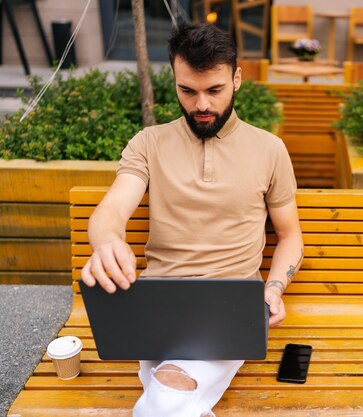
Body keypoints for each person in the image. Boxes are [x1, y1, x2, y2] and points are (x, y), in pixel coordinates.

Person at [80, 22, 304, 417]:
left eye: (214, 90)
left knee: (165, 400)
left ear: (236, 78)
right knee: (171, 402)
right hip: (157, 305)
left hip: (230, 311)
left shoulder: (270, 150)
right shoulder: (148, 143)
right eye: (188, 90)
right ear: (175, 81)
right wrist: (108, 241)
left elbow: (289, 236)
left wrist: (273, 288)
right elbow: (111, 211)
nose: (201, 104)